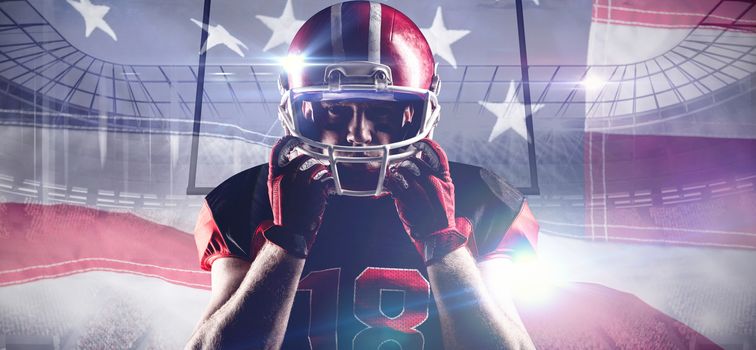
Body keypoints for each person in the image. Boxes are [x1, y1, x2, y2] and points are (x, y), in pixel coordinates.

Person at [186, 2, 539, 349]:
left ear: (418, 110)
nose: (358, 134)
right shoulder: (249, 197)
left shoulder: (478, 198)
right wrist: (285, 242)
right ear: (299, 108)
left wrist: (444, 244)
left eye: (382, 111)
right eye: (334, 109)